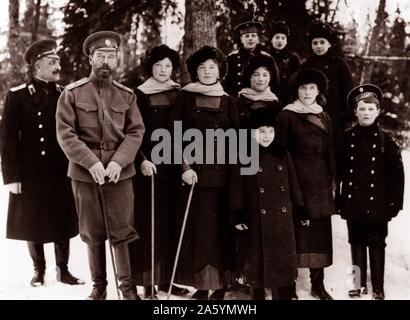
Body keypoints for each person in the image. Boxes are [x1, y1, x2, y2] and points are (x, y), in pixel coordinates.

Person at [56, 31, 145, 300]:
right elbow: (65, 133)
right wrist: (91, 162)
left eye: (111, 56)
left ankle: (127, 290)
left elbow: (135, 132)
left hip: (120, 174)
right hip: (85, 174)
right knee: (92, 232)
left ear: (117, 60)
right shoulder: (72, 94)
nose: (105, 61)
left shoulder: (127, 96)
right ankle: (100, 288)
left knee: (122, 231)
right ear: (91, 59)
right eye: (100, 56)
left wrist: (119, 161)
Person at [0, 39, 83, 288]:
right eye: (52, 62)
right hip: (30, 172)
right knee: (32, 220)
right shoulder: (17, 96)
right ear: (37, 67)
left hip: (60, 170)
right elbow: (8, 140)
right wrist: (12, 176)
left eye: (57, 61)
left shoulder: (64, 94)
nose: (58, 66)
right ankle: (38, 270)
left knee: (62, 220)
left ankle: (63, 270)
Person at [171, 46, 239, 300]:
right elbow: (173, 136)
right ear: (195, 72)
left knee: (221, 232)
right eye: (202, 68)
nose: (207, 72)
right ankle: (201, 285)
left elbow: (238, 139)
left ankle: (220, 286)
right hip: (193, 178)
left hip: (222, 178)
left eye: (212, 67)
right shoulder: (185, 97)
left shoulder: (229, 100)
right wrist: (184, 167)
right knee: (199, 232)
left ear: (220, 70)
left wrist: (235, 175)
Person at [231, 107, 306, 300]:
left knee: (283, 262)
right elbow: (237, 188)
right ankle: (258, 295)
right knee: (258, 264)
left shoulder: (282, 153)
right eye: (261, 131)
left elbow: (293, 184)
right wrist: (238, 213)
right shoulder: (245, 155)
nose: (266, 136)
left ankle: (286, 294)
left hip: (282, 218)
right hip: (256, 217)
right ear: (252, 133)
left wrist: (300, 208)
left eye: (270, 131)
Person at [131, 44, 189, 298]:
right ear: (150, 68)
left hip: (173, 166)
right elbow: (133, 131)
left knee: (170, 223)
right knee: (149, 223)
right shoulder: (140, 94)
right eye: (158, 66)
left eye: (168, 66)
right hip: (149, 167)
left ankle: (167, 280)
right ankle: (147, 283)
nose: (164, 70)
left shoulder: (179, 93)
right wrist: (141, 159)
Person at [337, 84, 404, 300]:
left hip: (378, 202)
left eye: (370, 109)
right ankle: (356, 284)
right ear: (355, 112)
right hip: (354, 199)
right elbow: (339, 171)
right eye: (362, 109)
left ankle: (378, 287)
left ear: (378, 112)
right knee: (355, 241)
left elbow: (397, 176)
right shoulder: (347, 138)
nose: (366, 113)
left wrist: (394, 203)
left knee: (376, 243)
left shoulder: (387, 140)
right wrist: (338, 199)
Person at [276, 68, 337, 300]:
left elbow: (330, 150)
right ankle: (288, 288)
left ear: (319, 90)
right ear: (296, 91)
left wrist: (333, 179)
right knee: (294, 234)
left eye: (312, 88)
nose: (308, 92)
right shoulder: (287, 116)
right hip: (296, 180)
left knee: (320, 235)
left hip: (320, 182)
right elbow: (280, 151)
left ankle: (317, 285)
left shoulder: (324, 116)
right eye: (303, 88)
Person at [301, 22, 353, 132]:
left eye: (322, 42)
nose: (318, 46)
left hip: (335, 115)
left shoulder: (339, 64)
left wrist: (348, 116)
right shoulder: (306, 65)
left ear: (329, 44)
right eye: (315, 43)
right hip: (311, 114)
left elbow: (348, 89)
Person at [224, 21, 278, 97]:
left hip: (262, 100)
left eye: (253, 36)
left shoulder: (267, 59)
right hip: (237, 101)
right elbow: (227, 84)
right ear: (241, 39)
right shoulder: (232, 58)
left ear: (258, 39)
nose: (250, 39)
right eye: (247, 36)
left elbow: (275, 83)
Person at [237, 54, 281, 128]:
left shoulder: (277, 105)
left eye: (265, 75)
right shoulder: (237, 103)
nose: (261, 79)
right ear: (249, 77)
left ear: (271, 78)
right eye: (256, 75)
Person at [267, 21, 300, 102]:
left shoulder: (293, 59)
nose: (280, 41)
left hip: (287, 98)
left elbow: (297, 80)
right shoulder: (265, 57)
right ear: (271, 40)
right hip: (268, 96)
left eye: (283, 38)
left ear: (286, 41)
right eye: (277, 37)